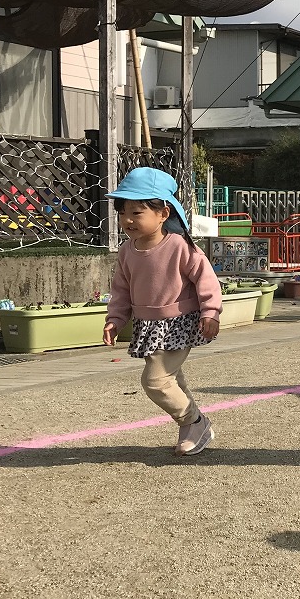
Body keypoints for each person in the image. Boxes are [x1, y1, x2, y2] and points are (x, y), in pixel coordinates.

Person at [103, 168, 222, 456]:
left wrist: (210, 312)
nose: (128, 220)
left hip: (179, 323)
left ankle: (194, 422)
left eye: (137, 212)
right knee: (171, 378)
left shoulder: (180, 246)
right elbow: (121, 290)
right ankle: (192, 425)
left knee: (155, 381)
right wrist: (115, 320)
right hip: (148, 325)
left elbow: (206, 279)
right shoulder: (127, 251)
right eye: (123, 212)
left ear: (163, 213)